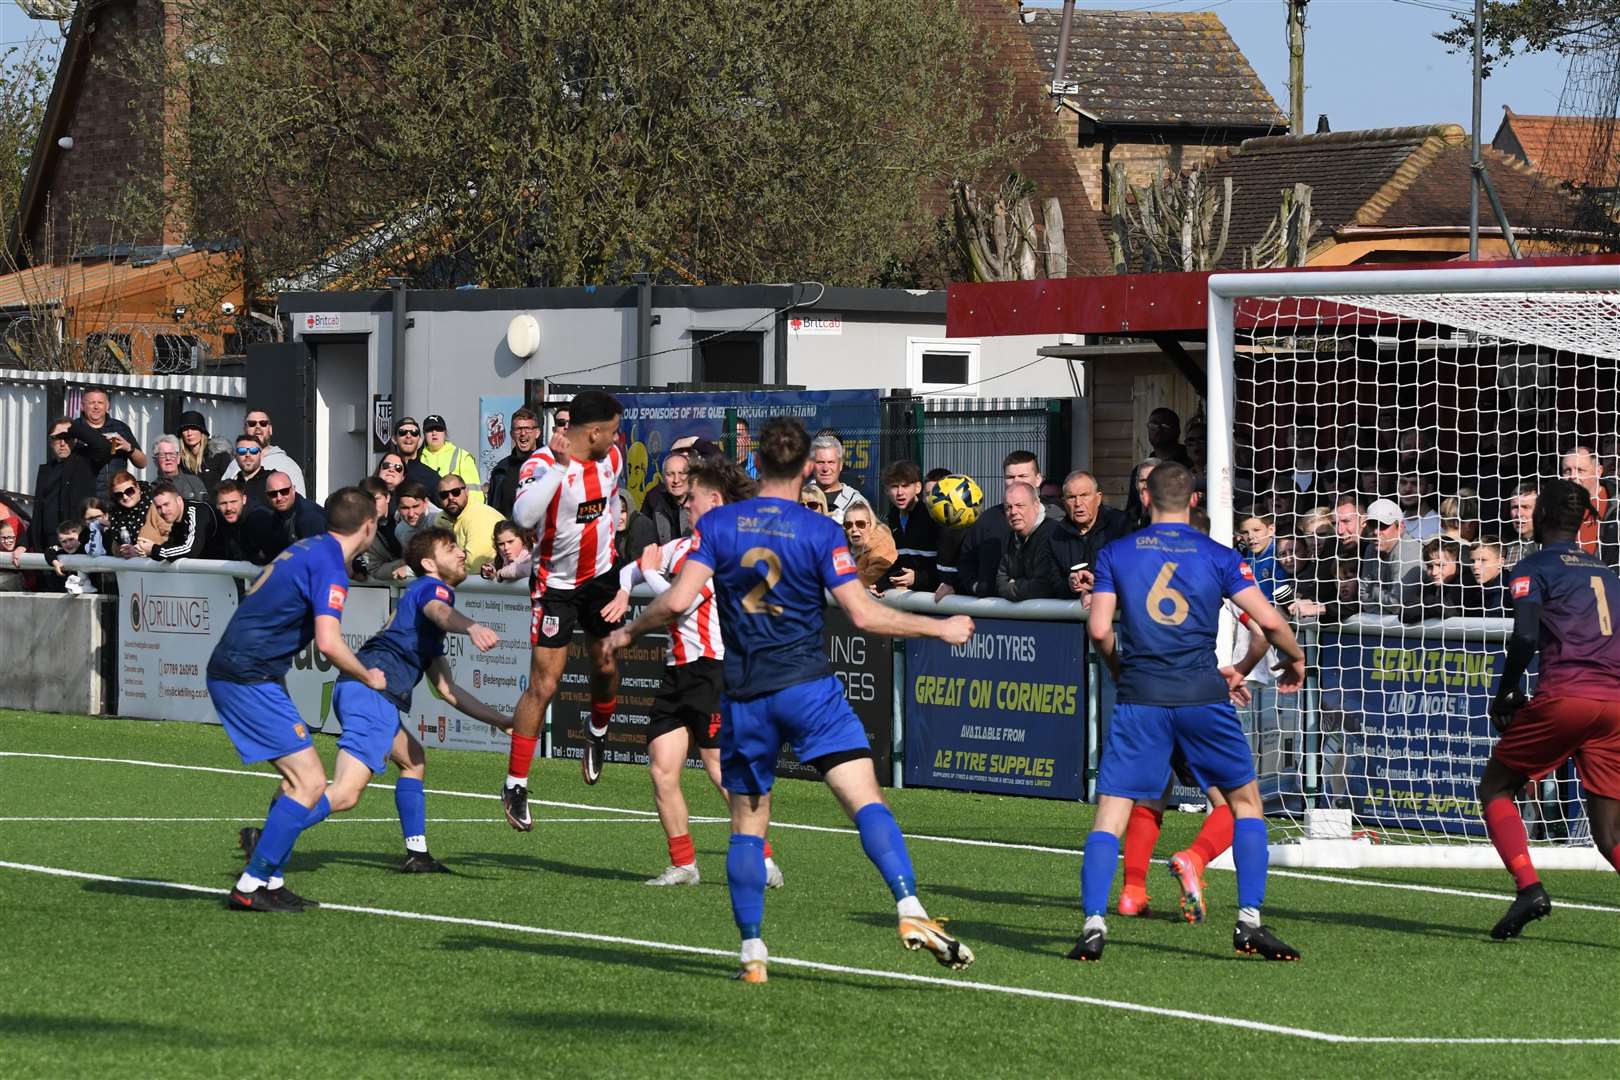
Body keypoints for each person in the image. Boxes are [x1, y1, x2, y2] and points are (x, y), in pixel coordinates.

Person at [605, 415, 977, 983]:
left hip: (747, 694)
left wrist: (628, 632)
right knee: (864, 799)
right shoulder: (818, 529)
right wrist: (939, 627)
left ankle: (752, 951)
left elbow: (677, 600)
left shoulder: (722, 524)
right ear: (807, 468)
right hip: (809, 687)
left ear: (759, 465)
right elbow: (863, 613)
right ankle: (908, 907)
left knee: (748, 822)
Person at [1077, 462, 1306, 962]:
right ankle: (1249, 923)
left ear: (1145, 499)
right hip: (1203, 694)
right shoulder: (1219, 556)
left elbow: (1099, 630)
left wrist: (1121, 669)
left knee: (1111, 813)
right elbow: (1268, 618)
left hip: (1142, 695)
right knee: (1245, 805)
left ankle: (1095, 922)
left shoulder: (1115, 552)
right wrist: (1294, 658)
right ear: (1195, 501)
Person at [274, 527, 512, 874]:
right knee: (345, 794)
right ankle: (270, 835)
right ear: (429, 563)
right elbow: (439, 610)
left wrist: (501, 721)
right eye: (451, 548)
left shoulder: (422, 616)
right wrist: (472, 627)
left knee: (413, 759)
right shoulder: (433, 590)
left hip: (364, 690)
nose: (462, 553)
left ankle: (418, 853)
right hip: (374, 693)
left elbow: (448, 691)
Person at [205, 487, 385, 912]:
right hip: (247, 676)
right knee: (308, 783)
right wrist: (366, 675)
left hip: (252, 671)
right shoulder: (329, 566)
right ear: (369, 525)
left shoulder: (311, 547)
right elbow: (329, 642)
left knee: (294, 782)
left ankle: (271, 878)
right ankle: (250, 885)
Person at [611, 457, 785, 887]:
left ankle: (763, 859)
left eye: (692, 499)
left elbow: (680, 601)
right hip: (677, 670)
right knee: (661, 768)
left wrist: (649, 572)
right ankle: (683, 864)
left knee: (719, 768)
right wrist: (623, 585)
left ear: (716, 501)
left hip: (714, 670)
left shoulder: (728, 552)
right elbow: (631, 569)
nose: (685, 505)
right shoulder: (686, 547)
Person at [1480, 478, 1620, 940]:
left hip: (1568, 695)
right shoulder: (1606, 573)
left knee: (1496, 787)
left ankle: (1529, 888)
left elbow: (1523, 636)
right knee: (1609, 834)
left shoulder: (1534, 566)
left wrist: (1505, 693)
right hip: (1614, 702)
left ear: (1542, 517)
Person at [504, 389, 626, 822]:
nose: (616, 438)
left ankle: (597, 732)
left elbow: (610, 504)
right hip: (556, 585)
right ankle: (515, 784)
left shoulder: (612, 458)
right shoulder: (542, 463)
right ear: (592, 432)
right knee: (545, 683)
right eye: (611, 432)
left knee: (607, 663)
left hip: (601, 576)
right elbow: (524, 516)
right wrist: (558, 468)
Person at [935, 451, 1058, 600]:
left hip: (1047, 615)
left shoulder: (1057, 520)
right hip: (993, 613)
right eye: (1010, 477)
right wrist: (976, 587)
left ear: (1038, 479)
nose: (1016, 481)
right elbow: (966, 563)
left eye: (1023, 476)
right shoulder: (987, 520)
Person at [1048, 470, 1128, 601]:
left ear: (1098, 498)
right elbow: (1052, 582)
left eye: (1084, 495)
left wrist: (1097, 585)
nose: (1078, 503)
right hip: (1071, 615)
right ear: (1064, 502)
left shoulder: (1120, 526)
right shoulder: (1055, 535)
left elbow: (1131, 575)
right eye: (1071, 497)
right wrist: (1069, 585)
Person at [28, 419, 98, 551]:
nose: (62, 443)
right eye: (57, 438)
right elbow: (38, 513)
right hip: (47, 543)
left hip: (76, 542)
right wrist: (23, 544)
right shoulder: (46, 470)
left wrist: (75, 429)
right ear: (50, 441)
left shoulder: (86, 463)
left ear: (76, 439)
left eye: (67, 437)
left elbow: (102, 446)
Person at [995, 481, 1061, 601]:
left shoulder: (1053, 534)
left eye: (1020, 505)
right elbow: (1000, 581)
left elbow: (1042, 586)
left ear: (1036, 505)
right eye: (1008, 507)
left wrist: (1013, 585)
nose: (1014, 512)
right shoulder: (1011, 534)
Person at [77, 386, 146, 500]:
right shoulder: (75, 429)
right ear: (82, 406)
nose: (96, 407)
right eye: (91, 403)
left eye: (100, 402)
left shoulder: (121, 428)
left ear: (107, 406)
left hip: (117, 498)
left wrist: (128, 447)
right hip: (85, 500)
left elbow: (142, 463)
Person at [879, 461, 938, 593]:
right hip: (909, 600)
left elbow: (946, 567)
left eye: (905, 486)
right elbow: (898, 564)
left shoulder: (932, 517)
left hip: (937, 601)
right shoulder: (892, 518)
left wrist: (918, 578)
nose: (900, 492)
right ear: (886, 490)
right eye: (894, 486)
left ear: (918, 487)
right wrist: (879, 584)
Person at [1359, 497, 1424, 618]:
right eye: (1372, 525)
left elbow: (1397, 604)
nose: (1376, 531)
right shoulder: (1370, 548)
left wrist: (1375, 591)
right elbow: (1362, 596)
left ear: (1400, 527)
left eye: (1383, 525)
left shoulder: (1409, 550)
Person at [223, 408, 306, 496]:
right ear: (245, 429)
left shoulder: (287, 465)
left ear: (270, 429)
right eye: (252, 424)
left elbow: (300, 504)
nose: (258, 427)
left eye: (263, 423)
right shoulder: (235, 463)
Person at [436, 472, 503, 574]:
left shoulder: (479, 516)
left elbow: (475, 565)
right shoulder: (440, 519)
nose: (450, 498)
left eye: (456, 492)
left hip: (494, 585)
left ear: (467, 491)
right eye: (444, 495)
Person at [1561, 445, 1620, 560]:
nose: (1573, 476)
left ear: (1598, 471)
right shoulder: (1556, 509)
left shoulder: (1615, 507)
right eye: (1567, 471)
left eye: (1580, 470)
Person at [138, 482, 221, 561]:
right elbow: (173, 546)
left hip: (227, 567)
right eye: (158, 507)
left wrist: (154, 549)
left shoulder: (196, 511)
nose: (163, 511)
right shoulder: (178, 519)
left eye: (166, 504)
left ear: (179, 500)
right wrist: (140, 550)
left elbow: (190, 550)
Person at [419, 414, 485, 507]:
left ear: (445, 433)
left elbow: (474, 493)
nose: (434, 433)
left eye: (439, 429)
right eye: (429, 430)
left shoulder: (462, 456)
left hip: (455, 514)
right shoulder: (418, 457)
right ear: (424, 434)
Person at [488, 407, 541, 517]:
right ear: (512, 434)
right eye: (518, 429)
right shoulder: (500, 470)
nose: (522, 433)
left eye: (527, 428)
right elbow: (493, 512)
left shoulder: (551, 465)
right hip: (510, 532)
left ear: (537, 433)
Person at [809, 434, 869, 523]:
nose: (825, 468)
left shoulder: (856, 501)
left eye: (831, 462)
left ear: (841, 465)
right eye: (820, 462)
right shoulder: (800, 498)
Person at [353, 476, 405, 580]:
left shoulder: (407, 515)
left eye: (376, 499)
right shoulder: (364, 529)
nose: (372, 505)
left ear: (388, 498)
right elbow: (375, 569)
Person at [215, 481, 279, 564]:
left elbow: (274, 555)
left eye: (233, 502)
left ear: (244, 499)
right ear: (217, 505)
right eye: (223, 503)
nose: (228, 508)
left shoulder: (258, 519)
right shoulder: (219, 520)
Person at [267, 473, 327, 557]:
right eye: (273, 494)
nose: (279, 498)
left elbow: (316, 557)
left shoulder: (309, 516)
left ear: (293, 489)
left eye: (284, 491)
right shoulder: (276, 514)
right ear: (267, 495)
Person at [641, 448, 693, 544]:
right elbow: (644, 537)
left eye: (682, 473)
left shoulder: (700, 499)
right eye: (670, 474)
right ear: (663, 478)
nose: (676, 480)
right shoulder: (653, 499)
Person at [842, 503, 897, 588]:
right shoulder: (842, 543)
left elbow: (873, 576)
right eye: (848, 525)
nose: (854, 529)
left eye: (860, 524)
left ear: (870, 524)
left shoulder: (882, 543)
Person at [175, 410, 232, 492]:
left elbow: (230, 485)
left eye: (194, 428)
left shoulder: (218, 455)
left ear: (202, 431)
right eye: (185, 429)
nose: (189, 433)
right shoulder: (180, 459)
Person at [106, 471, 154, 555]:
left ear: (138, 488)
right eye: (119, 495)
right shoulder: (115, 513)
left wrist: (138, 550)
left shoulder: (156, 504)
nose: (125, 497)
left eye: (129, 491)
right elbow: (115, 547)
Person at [390, 417, 442, 492]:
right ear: (394, 439)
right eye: (402, 432)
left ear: (420, 441)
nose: (408, 436)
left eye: (414, 432)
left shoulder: (432, 477)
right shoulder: (386, 471)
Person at [150, 435, 207, 502]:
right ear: (155, 461)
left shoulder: (194, 482)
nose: (168, 458)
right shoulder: (152, 489)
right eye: (162, 455)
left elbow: (205, 507)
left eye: (172, 454)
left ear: (178, 458)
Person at [1502, 483, 1539, 567]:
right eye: (1515, 507)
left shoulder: (1551, 546)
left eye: (1525, 507)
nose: (1519, 514)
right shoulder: (1506, 550)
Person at [232, 435, 274, 508]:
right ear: (235, 456)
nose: (247, 455)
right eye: (242, 451)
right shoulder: (231, 485)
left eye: (253, 450)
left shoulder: (273, 480)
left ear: (261, 455)